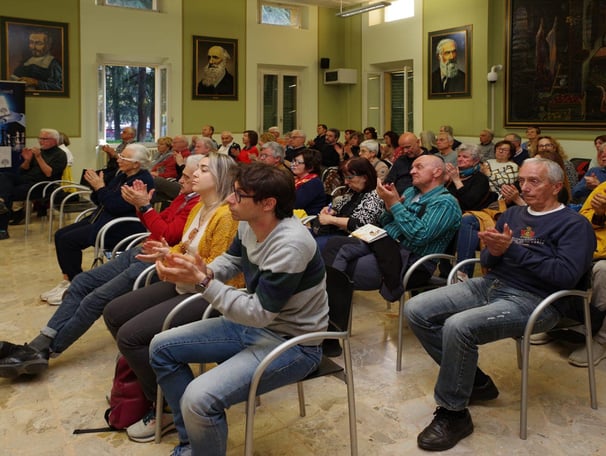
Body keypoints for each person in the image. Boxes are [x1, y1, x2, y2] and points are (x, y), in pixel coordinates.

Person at [404, 158, 595, 452]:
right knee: (416, 310)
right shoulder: (514, 214)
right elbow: (491, 263)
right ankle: (476, 382)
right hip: (491, 285)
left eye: (535, 181)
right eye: (522, 180)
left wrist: (512, 249)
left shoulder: (574, 224)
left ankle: (453, 413)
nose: (524, 187)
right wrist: (492, 250)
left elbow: (565, 276)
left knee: (459, 326)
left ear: (557, 187)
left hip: (539, 301)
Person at [148, 162, 328, 456]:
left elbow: (259, 312)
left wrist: (203, 282)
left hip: (293, 343)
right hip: (255, 326)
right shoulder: (248, 222)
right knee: (160, 347)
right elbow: (230, 262)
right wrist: (198, 269)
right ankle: (193, 444)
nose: (230, 200)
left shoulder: (290, 244)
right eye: (233, 192)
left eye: (239, 195)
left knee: (199, 398)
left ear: (268, 204)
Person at [0, 156, 203, 378]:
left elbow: (168, 233)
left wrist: (143, 205)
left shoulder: (196, 203)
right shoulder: (183, 197)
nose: (180, 180)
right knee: (81, 282)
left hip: (155, 261)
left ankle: (44, 350)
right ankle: (39, 344)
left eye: (186, 176)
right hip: (141, 249)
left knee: (94, 299)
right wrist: (141, 206)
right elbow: (154, 222)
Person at [102, 153, 242, 443]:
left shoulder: (226, 216)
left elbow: (216, 268)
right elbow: (183, 245)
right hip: (183, 284)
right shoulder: (199, 207)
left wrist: (173, 263)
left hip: (207, 296)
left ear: (221, 179)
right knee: (114, 311)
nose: (192, 175)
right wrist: (166, 255)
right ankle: (150, 388)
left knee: (131, 336)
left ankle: (164, 406)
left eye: (203, 170)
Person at [323, 154, 462, 302]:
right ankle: (329, 306)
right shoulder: (410, 192)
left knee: (341, 270)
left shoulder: (445, 203)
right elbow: (385, 222)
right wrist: (390, 208)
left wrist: (395, 205)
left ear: (437, 172)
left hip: (412, 261)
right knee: (333, 245)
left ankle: (330, 312)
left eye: (418, 167)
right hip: (385, 245)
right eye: (412, 167)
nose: (412, 171)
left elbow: (419, 236)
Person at [41, 144, 154, 305]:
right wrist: (97, 188)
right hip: (103, 218)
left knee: (69, 241)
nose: (119, 159)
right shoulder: (122, 175)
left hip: (119, 226)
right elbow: (99, 200)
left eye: (124, 158)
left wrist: (100, 187)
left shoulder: (141, 180)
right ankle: (68, 279)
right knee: (60, 235)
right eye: (120, 156)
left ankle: (76, 285)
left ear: (136, 164)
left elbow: (116, 206)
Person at [0, 128, 67, 236]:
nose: (40, 141)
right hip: (27, 180)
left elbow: (49, 173)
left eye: (44, 139)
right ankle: (1, 202)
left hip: (43, 185)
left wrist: (38, 157)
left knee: (8, 193)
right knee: (3, 176)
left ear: (54, 141)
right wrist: (27, 160)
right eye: (39, 138)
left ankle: (2, 229)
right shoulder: (39, 151)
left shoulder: (60, 154)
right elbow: (21, 171)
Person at [568, 181, 606, 367]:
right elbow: (584, 216)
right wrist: (599, 215)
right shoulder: (604, 187)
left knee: (603, 271)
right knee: (568, 253)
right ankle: (559, 322)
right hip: (597, 247)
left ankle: (600, 337)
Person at [313, 157, 384, 250]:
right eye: (345, 177)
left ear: (364, 177)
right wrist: (331, 211)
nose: (346, 182)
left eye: (350, 177)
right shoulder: (354, 192)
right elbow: (338, 207)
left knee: (315, 246)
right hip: (339, 234)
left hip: (358, 239)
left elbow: (360, 224)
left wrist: (331, 219)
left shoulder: (376, 195)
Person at [291, 149, 325, 216]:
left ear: (310, 167)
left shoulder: (313, 183)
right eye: (294, 161)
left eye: (298, 162)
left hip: (305, 219)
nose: (294, 164)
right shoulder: (297, 178)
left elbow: (295, 205)